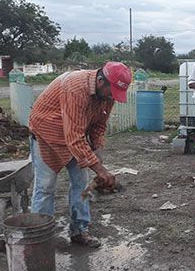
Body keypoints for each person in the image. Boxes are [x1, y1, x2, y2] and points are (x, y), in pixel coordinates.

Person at [29, 62, 132, 247]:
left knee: (82, 184)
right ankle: (40, 237)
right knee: (45, 187)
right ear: (101, 81)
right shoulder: (76, 88)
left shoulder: (108, 92)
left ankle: (79, 230)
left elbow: (99, 125)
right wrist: (100, 170)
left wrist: (98, 150)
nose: (112, 98)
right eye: (111, 92)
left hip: (73, 135)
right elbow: (74, 138)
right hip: (47, 134)